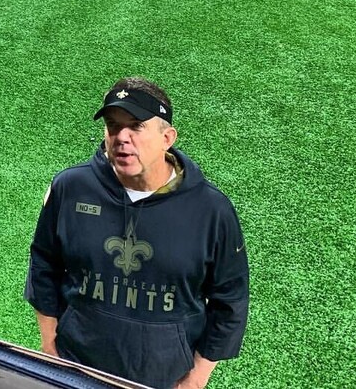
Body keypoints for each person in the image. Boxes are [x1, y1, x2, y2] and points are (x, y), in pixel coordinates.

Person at [25, 78, 248, 389]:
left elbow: (231, 299)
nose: (121, 137)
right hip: (74, 368)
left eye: (136, 126)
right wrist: (50, 346)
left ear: (167, 138)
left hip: (163, 379)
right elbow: (43, 264)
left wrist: (195, 380)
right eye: (113, 126)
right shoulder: (70, 188)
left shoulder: (212, 210)